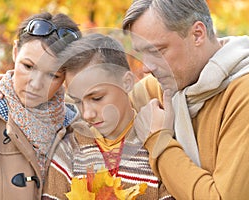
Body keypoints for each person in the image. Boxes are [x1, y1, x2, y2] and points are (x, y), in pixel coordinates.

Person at [122, 0, 249, 199]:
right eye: (142, 53)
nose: (146, 67)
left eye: (157, 51)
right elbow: (93, 120)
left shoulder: (246, 92)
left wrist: (158, 141)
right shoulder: (155, 88)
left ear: (197, 34)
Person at [0, 12, 81, 199]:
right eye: (28, 67)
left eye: (52, 75)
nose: (35, 84)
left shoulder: (76, 126)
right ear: (15, 52)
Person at [41, 33, 174, 200]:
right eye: (78, 102)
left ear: (127, 82)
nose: (87, 114)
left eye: (97, 98)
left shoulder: (156, 143)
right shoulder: (67, 152)